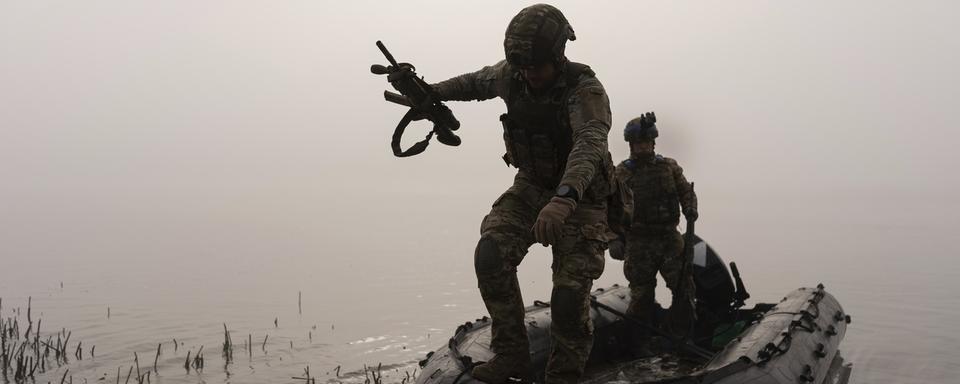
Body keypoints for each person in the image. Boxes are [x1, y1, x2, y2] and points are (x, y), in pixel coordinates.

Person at [427, 4, 616, 383]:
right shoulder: (512, 74)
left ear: (559, 56)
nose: (529, 75)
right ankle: (511, 356)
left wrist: (563, 199)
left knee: (567, 297)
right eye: (524, 68)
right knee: (491, 253)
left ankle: (564, 375)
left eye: (537, 67)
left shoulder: (585, 90)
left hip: (582, 200)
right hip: (531, 187)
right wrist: (430, 92)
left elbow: (590, 143)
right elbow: (473, 83)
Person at [609, 112, 698, 354]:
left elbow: (686, 192)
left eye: (646, 142)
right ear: (631, 145)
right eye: (637, 143)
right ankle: (638, 344)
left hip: (669, 238)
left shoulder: (669, 167)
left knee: (683, 290)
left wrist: (690, 209)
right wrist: (614, 239)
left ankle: (682, 339)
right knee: (641, 296)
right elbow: (609, 209)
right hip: (639, 242)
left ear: (653, 143)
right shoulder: (621, 174)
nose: (642, 147)